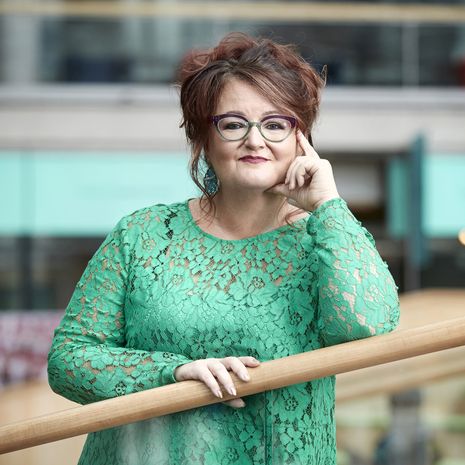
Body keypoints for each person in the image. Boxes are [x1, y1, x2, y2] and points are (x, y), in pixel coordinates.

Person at [48, 32, 400, 465]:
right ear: (204, 140)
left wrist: (328, 204)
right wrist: (172, 373)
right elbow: (69, 360)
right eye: (233, 124)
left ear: (301, 138)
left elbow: (369, 324)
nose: (255, 140)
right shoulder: (142, 234)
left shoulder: (325, 240)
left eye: (276, 124)